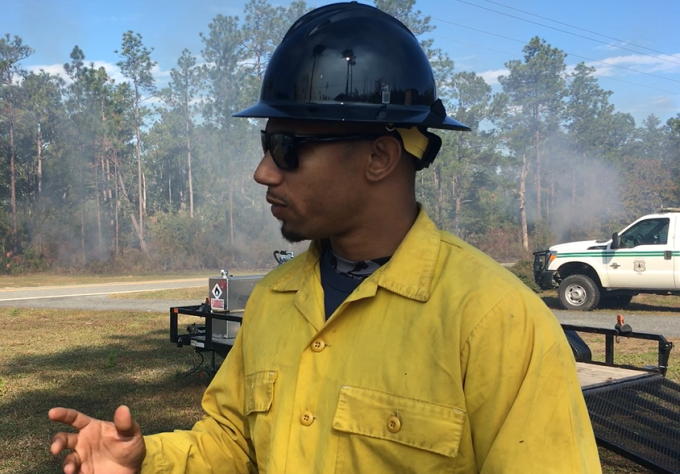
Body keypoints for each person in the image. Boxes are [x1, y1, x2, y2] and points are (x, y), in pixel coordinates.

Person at [48, 3, 602, 473]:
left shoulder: (494, 320)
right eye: (267, 144)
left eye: (286, 146)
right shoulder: (274, 301)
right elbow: (233, 442)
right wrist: (148, 459)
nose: (264, 172)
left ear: (380, 156)